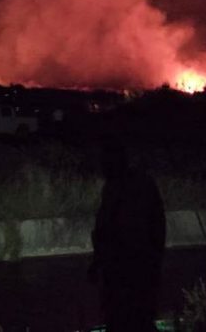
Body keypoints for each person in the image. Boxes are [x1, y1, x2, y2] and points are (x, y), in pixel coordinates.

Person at [88, 141, 166, 332]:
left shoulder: (114, 187)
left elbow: (104, 230)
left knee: (121, 318)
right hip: (143, 268)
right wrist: (156, 260)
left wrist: (97, 263)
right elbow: (159, 225)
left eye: (104, 162)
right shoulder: (144, 183)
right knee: (141, 318)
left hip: (121, 271)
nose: (102, 167)